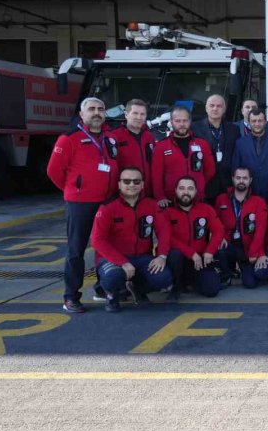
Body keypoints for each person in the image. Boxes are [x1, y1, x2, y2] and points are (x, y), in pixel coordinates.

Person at [47, 97, 119, 313]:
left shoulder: (110, 138)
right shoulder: (69, 138)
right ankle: (71, 296)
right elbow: (53, 171)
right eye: (91, 109)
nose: (96, 112)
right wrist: (74, 189)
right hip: (79, 203)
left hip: (106, 202)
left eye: (100, 109)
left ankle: (102, 288)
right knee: (76, 250)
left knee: (105, 248)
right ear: (81, 114)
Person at [91, 167, 171, 312]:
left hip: (141, 257)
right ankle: (111, 295)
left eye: (136, 181)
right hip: (112, 259)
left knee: (164, 278)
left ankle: (138, 289)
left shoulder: (151, 205)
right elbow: (97, 240)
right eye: (126, 181)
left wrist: (162, 256)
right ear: (119, 184)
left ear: (142, 185)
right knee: (113, 277)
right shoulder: (108, 208)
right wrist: (123, 262)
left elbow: (164, 231)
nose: (131, 185)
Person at [159, 176, 225, 299]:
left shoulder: (206, 209)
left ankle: (192, 281)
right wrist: (191, 253)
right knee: (175, 254)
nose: (186, 192)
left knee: (211, 290)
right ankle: (176, 285)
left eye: (190, 188)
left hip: (200, 260)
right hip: (178, 259)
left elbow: (218, 231)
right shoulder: (167, 212)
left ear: (195, 191)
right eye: (182, 188)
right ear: (176, 190)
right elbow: (167, 238)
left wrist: (209, 251)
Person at [214, 167, 268, 289]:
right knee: (220, 249)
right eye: (238, 178)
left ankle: (244, 270)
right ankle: (226, 274)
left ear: (250, 180)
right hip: (228, 245)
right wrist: (221, 237)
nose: (241, 181)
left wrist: (256, 253)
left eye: (245, 178)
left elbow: (261, 230)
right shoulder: (221, 199)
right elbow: (216, 224)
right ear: (233, 179)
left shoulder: (259, 201)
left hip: (247, 248)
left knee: (250, 283)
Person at [152, 105, 215, 207]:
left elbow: (210, 170)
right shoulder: (161, 146)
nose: (182, 124)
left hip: (197, 198)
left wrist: (199, 183)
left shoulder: (202, 144)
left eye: (185, 120)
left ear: (190, 122)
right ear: (171, 122)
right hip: (171, 200)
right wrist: (160, 196)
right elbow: (156, 175)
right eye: (177, 121)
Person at [192, 94, 240, 202]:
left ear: (224, 109)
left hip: (228, 183)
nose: (215, 108)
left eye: (219, 106)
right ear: (206, 108)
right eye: (212, 105)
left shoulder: (234, 129)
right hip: (205, 183)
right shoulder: (194, 128)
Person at [109, 99, 155, 197]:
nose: (139, 117)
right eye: (135, 113)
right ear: (126, 114)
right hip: (124, 193)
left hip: (147, 192)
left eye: (142, 114)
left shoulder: (149, 136)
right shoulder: (114, 136)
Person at [232, 108, 268, 199]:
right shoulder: (240, 143)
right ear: (249, 122)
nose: (257, 124)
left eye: (260, 121)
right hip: (248, 191)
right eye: (254, 121)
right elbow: (236, 167)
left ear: (265, 122)